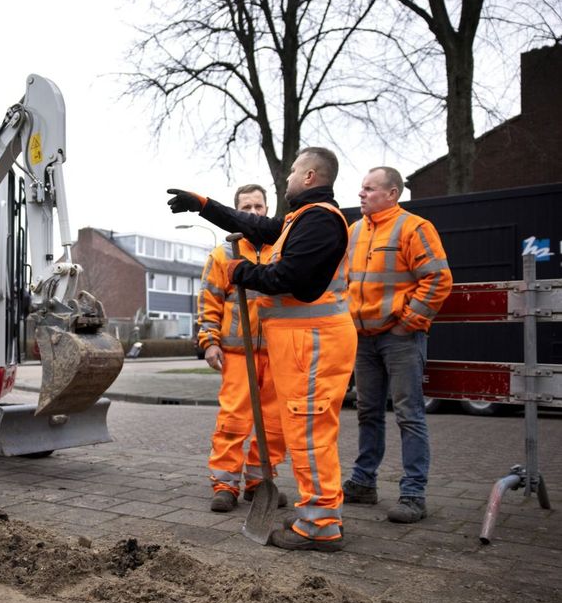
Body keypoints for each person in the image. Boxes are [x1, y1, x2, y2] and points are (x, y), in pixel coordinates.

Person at [167, 147, 356, 552]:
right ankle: (316, 511)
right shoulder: (302, 219)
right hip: (301, 344)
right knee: (304, 429)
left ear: (309, 177)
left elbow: (293, 278)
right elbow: (254, 225)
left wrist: (244, 273)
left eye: (292, 171)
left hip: (313, 343)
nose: (286, 178)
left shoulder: (320, 220)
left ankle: (320, 522)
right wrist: (205, 206)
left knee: (308, 431)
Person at [343, 167, 452, 524]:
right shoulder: (354, 231)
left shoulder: (414, 227)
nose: (361, 194)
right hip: (363, 338)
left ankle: (413, 494)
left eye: (369, 189)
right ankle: (363, 483)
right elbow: (344, 282)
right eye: (361, 188)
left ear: (392, 194)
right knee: (367, 412)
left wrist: (410, 322)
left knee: (409, 415)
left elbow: (437, 277)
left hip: (399, 337)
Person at [197, 184, 289, 513]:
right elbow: (208, 301)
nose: (253, 213)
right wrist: (209, 342)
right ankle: (224, 484)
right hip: (238, 353)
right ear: (236, 211)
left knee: (276, 425)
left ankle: (260, 481)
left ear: (268, 209)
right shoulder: (223, 254)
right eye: (246, 207)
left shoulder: (283, 249)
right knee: (234, 420)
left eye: (258, 207)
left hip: (279, 353)